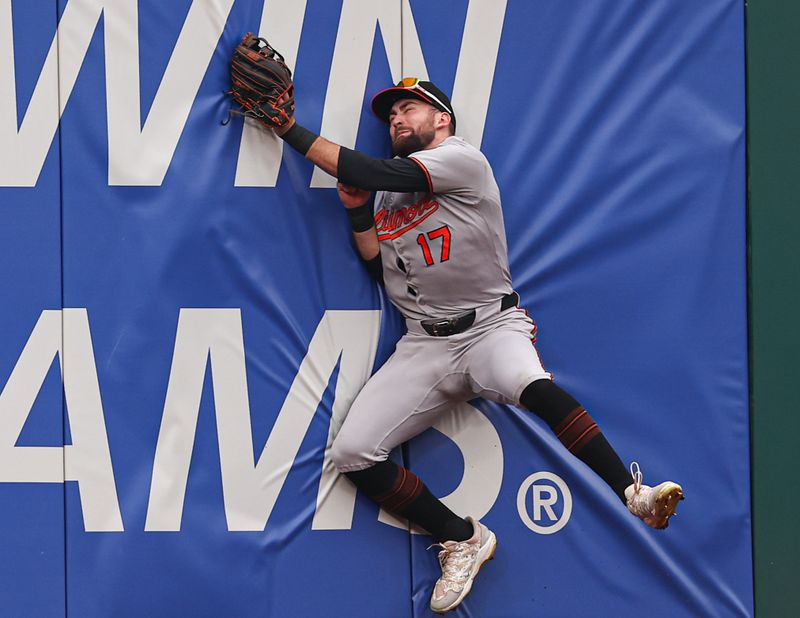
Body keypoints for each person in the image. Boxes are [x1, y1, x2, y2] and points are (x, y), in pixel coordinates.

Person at [271, 78, 683, 614]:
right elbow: (382, 265)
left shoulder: (461, 160)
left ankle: (635, 496)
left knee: (529, 385)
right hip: (426, 344)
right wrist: (355, 212)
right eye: (391, 114)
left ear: (442, 118)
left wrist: (287, 129)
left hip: (490, 327)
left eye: (408, 108)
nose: (396, 119)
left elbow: (365, 169)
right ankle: (462, 539)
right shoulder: (393, 197)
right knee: (353, 453)